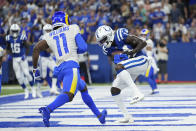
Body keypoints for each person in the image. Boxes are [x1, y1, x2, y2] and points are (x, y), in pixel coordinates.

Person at [32, 11, 107, 127]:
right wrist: (75, 51)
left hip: (60, 69)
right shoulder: (72, 28)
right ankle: (47, 110)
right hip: (71, 67)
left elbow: (36, 48)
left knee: (83, 87)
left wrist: (34, 68)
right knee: (69, 95)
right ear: (65, 20)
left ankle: (99, 116)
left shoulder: (48, 35)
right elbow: (83, 47)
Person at [95, 25, 149, 123]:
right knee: (114, 89)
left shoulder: (120, 36)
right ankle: (127, 116)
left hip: (142, 60)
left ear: (109, 35)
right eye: (101, 41)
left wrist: (132, 52)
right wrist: (121, 57)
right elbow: (115, 60)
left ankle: (137, 93)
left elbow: (143, 43)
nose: (102, 43)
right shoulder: (107, 49)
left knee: (119, 67)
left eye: (103, 40)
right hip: (130, 67)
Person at [6, 24, 36, 99]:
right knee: (18, 77)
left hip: (22, 58)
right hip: (15, 59)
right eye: (13, 31)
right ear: (11, 31)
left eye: (15, 31)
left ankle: (33, 88)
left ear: (18, 31)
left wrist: (25, 55)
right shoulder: (8, 38)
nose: (14, 32)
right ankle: (26, 90)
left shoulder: (22, 37)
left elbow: (27, 47)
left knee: (26, 73)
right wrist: (9, 54)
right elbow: (8, 48)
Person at [36, 24, 59, 97]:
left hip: (49, 58)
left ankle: (53, 88)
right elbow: (48, 50)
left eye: (49, 30)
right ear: (44, 31)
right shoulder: (42, 38)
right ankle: (38, 90)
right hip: (43, 58)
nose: (48, 32)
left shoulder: (53, 37)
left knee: (56, 69)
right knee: (43, 76)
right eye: (47, 31)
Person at [140, 29, 159, 94]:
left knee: (147, 76)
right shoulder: (145, 41)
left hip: (150, 60)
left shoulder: (148, 41)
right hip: (149, 60)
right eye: (142, 35)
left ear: (147, 35)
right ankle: (155, 89)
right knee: (151, 76)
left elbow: (149, 51)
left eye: (144, 35)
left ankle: (154, 88)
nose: (143, 36)